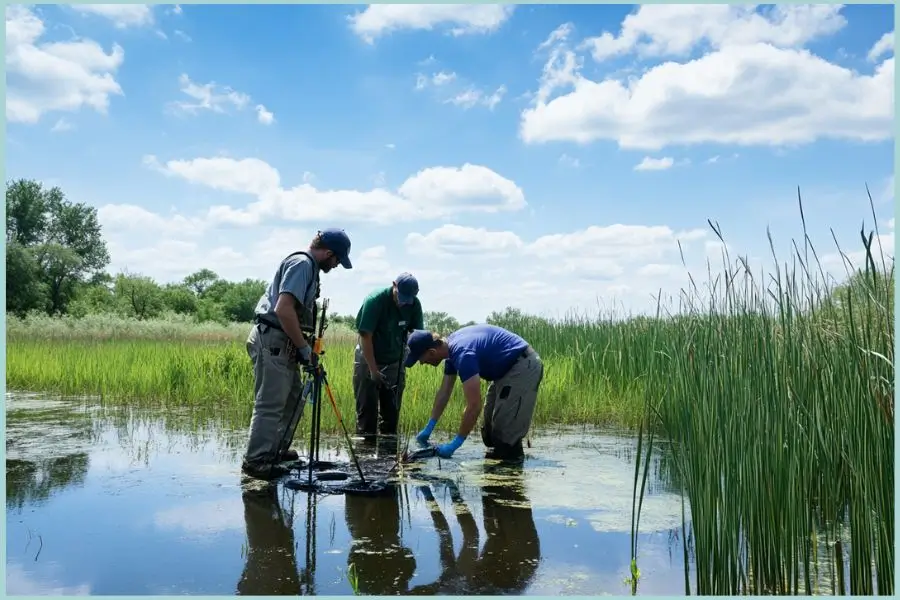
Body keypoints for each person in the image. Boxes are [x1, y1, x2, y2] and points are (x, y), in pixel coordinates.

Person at [241, 228, 353, 480]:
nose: (335, 266)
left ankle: (276, 450)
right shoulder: (302, 263)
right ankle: (257, 461)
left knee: (293, 399)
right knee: (270, 404)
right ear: (328, 252)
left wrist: (305, 348)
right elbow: (283, 310)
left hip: (286, 343)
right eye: (336, 260)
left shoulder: (310, 269)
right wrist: (304, 348)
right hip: (273, 340)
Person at [404, 323, 544, 460]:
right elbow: (444, 392)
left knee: (505, 435)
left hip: (522, 366)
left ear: (432, 352)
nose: (421, 364)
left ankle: (513, 469)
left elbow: (474, 406)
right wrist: (429, 427)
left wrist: (455, 444)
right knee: (489, 434)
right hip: (503, 372)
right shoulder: (450, 351)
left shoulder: (463, 354)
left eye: (420, 360)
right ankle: (499, 464)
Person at [352, 273, 424, 440]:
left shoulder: (414, 305)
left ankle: (388, 457)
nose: (403, 302)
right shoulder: (375, 300)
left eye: (408, 299)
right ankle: (365, 458)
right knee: (367, 413)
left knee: (391, 415)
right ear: (394, 285)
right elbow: (366, 336)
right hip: (368, 357)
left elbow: (417, 334)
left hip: (395, 361)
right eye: (401, 297)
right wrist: (373, 370)